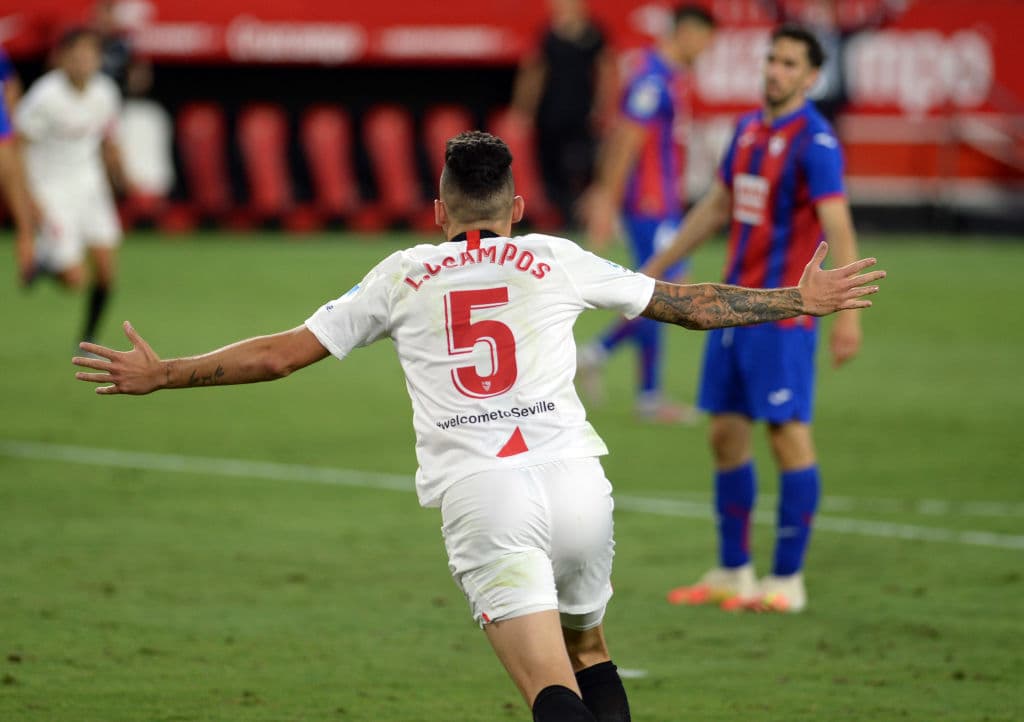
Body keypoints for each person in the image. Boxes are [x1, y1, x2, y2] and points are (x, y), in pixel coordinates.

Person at [72, 131, 883, 720]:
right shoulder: (558, 256)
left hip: (485, 496)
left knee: (548, 690)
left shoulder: (403, 273)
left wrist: (165, 373)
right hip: (577, 485)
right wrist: (796, 301)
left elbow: (283, 355)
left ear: (438, 210)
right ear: (518, 207)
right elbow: (685, 305)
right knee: (590, 654)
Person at [645, 24, 864, 613]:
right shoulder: (746, 129)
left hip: (785, 315)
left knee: (788, 435)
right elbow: (717, 206)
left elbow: (837, 222)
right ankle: (732, 571)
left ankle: (786, 581)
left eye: (790, 63)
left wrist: (846, 312)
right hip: (732, 310)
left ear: (812, 77)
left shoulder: (815, 141)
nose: (775, 71)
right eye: (773, 59)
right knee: (724, 433)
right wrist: (659, 266)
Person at [576, 4, 716, 423]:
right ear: (687, 33)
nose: (706, 48)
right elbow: (627, 140)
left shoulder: (668, 76)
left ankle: (616, 369)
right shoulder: (653, 79)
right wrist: (606, 199)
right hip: (650, 203)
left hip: (663, 203)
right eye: (705, 39)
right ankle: (627, 379)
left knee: (662, 290)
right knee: (664, 291)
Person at [15, 27, 129, 344]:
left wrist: (120, 173)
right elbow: (17, 148)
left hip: (90, 186)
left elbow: (108, 137)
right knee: (75, 280)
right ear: (62, 59)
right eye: (76, 56)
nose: (83, 63)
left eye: (89, 56)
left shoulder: (105, 92)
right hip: (51, 190)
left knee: (107, 271)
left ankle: (90, 339)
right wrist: (28, 199)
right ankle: (46, 263)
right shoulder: (44, 97)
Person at [511, 0, 615, 228]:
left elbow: (605, 72)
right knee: (550, 168)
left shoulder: (593, 35)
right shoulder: (547, 35)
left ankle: (582, 217)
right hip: (550, 115)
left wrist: (603, 108)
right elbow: (534, 73)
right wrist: (524, 109)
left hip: (581, 116)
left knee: (581, 167)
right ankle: (563, 217)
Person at [0, 46, 37, 285]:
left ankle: (27, 242)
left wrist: (12, 121)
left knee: (16, 182)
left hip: (3, 134)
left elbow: (11, 84)